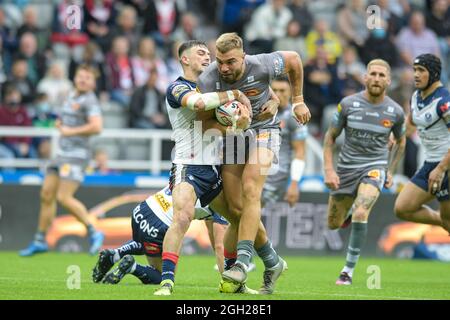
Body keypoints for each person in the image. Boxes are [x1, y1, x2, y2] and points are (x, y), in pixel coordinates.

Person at [196, 32, 310, 291]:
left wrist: (298, 101)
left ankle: (242, 263)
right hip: (234, 137)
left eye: (231, 62)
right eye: (220, 61)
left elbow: (294, 59)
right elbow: (203, 126)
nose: (224, 68)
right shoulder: (207, 79)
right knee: (236, 209)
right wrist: (233, 125)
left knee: (250, 188)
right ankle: (272, 261)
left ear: (243, 56)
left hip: (266, 130)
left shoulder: (262, 64)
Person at [153, 40, 252, 296]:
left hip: (212, 168)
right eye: (201, 53)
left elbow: (215, 127)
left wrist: (238, 123)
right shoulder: (177, 88)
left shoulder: (211, 89)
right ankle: (166, 283)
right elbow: (197, 105)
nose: (207, 57)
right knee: (182, 218)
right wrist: (234, 94)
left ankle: (233, 279)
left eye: (209, 54)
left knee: (238, 218)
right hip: (188, 166)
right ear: (185, 59)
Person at [323, 59, 406, 285]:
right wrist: (329, 170)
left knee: (362, 211)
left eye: (382, 75)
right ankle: (346, 214)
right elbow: (330, 137)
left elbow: (401, 140)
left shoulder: (396, 112)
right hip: (346, 170)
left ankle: (347, 271)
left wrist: (389, 170)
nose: (377, 78)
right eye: (373, 74)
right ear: (365, 77)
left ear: (388, 80)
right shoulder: (348, 104)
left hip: (374, 168)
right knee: (332, 223)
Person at [91, 185, 258, 293]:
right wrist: (229, 278)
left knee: (147, 242)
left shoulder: (205, 176)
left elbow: (212, 234)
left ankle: (116, 253)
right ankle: (132, 267)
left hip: (143, 209)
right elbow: (221, 246)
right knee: (160, 274)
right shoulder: (223, 200)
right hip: (159, 224)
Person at [19, 65, 105, 257]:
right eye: (81, 76)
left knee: (63, 197)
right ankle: (40, 240)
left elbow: (97, 127)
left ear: (93, 82)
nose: (83, 80)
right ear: (74, 77)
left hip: (77, 155)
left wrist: (69, 131)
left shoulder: (90, 100)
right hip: (62, 154)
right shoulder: (71, 95)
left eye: (87, 78)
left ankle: (94, 231)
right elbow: (67, 120)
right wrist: (60, 124)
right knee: (46, 194)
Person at [394, 53, 450, 234]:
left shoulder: (444, 102)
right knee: (402, 208)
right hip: (430, 164)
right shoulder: (416, 96)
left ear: (433, 74)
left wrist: (441, 169)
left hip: (446, 165)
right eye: (415, 70)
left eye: (421, 70)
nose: (416, 75)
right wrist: (395, 136)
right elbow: (410, 124)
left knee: (448, 218)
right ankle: (442, 221)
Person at [262, 76, 308, 207]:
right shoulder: (261, 111)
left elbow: (300, 152)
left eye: (282, 90)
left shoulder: (295, 117)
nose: (278, 94)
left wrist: (294, 183)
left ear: (291, 93)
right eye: (274, 90)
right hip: (254, 170)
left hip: (276, 176)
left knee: (248, 212)